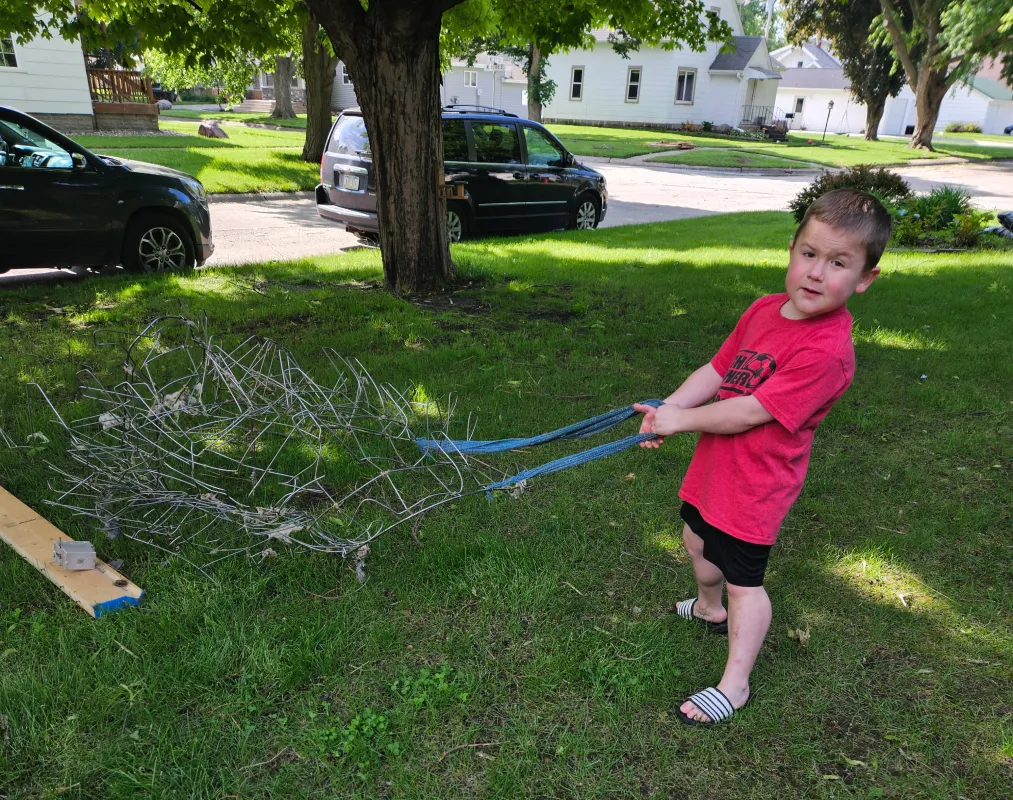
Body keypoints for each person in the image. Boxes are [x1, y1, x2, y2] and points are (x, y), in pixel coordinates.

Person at [633, 188, 891, 725]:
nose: (817, 273)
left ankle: (735, 684)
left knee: (743, 581)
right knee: (694, 537)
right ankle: (708, 610)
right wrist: (668, 408)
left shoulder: (827, 353)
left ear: (865, 279)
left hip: (756, 486)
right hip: (714, 469)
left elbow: (750, 412)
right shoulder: (763, 310)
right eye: (809, 254)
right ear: (792, 250)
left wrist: (683, 421)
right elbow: (718, 369)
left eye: (839, 263)